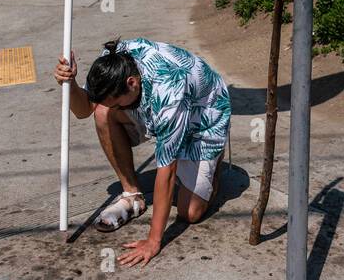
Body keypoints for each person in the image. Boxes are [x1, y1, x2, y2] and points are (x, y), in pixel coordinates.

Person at [54, 38, 232, 268]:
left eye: (118, 103)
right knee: (102, 113)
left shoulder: (169, 91)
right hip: (153, 107)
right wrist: (71, 84)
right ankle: (132, 195)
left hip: (204, 121)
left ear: (131, 83)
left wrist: (153, 241)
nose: (115, 107)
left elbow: (166, 170)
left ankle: (214, 163)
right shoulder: (113, 61)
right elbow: (84, 111)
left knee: (190, 212)